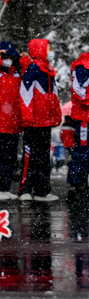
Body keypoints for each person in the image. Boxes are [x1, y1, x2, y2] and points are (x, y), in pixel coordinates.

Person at [0, 41, 31, 201]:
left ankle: (5, 187)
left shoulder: (18, 75)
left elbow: (30, 74)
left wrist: (25, 60)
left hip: (14, 124)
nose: (7, 59)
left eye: (10, 56)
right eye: (4, 56)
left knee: (10, 159)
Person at [18, 39, 63, 201]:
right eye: (48, 48)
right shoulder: (33, 69)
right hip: (34, 122)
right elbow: (25, 93)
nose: (50, 51)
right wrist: (28, 117)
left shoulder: (49, 71)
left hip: (46, 121)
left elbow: (55, 97)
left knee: (44, 156)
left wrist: (56, 116)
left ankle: (42, 190)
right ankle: (25, 188)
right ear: (40, 50)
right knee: (31, 156)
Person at [63, 52, 89, 201]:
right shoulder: (83, 66)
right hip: (84, 118)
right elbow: (78, 90)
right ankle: (77, 185)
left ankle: (80, 185)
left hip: (85, 116)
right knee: (82, 152)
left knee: (84, 153)